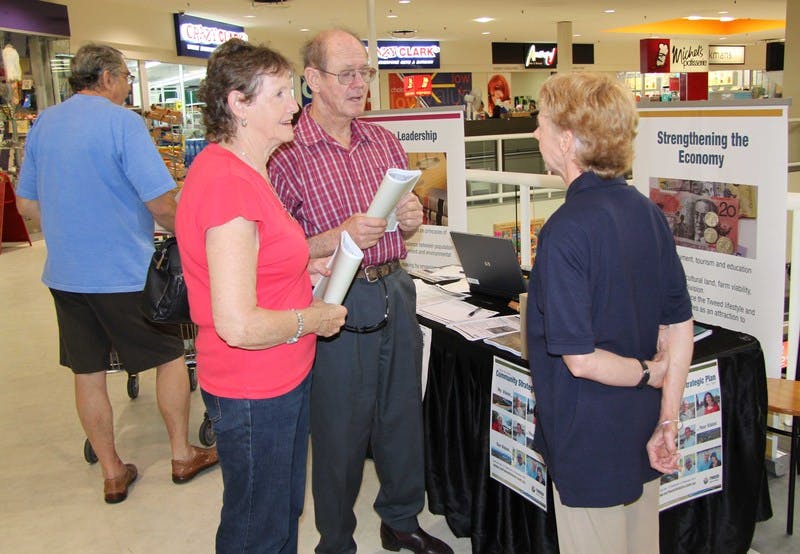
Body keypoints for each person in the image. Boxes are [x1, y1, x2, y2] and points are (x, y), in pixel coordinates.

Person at [268, 28, 453, 554]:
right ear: (312, 80)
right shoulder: (286, 154)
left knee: (400, 416)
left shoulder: (383, 140)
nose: (359, 84)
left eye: (365, 72)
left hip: (395, 287)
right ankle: (336, 540)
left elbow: (404, 218)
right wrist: (335, 236)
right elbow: (273, 254)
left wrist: (411, 217)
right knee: (339, 430)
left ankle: (400, 519)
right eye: (345, 73)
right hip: (333, 299)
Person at [15, 43, 218, 505]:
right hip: (123, 273)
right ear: (105, 77)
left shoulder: (45, 123)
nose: (128, 85)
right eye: (126, 76)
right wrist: (193, 234)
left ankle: (112, 471)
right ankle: (182, 454)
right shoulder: (123, 123)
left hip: (65, 273)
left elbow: (27, 206)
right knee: (168, 357)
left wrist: (72, 225)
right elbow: (161, 203)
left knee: (87, 370)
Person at [175, 39, 347, 553]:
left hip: (278, 381)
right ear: (239, 104)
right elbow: (238, 323)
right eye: (279, 93)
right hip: (254, 389)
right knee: (258, 528)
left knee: (278, 514)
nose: (295, 104)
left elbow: (255, 260)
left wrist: (301, 262)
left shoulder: (250, 170)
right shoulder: (229, 185)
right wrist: (311, 319)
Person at [525, 73, 694, 554]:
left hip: (588, 440)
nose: (534, 135)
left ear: (565, 140)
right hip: (642, 431)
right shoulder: (647, 213)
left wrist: (650, 372)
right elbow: (679, 322)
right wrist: (667, 420)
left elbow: (580, 359)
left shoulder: (564, 231)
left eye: (540, 125)